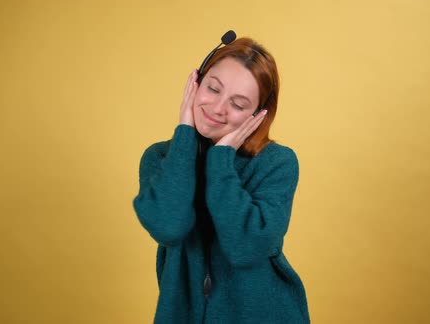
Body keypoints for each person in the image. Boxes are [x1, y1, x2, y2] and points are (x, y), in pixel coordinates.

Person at [133, 37, 310, 323]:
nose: (217, 109)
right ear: (196, 83)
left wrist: (221, 159)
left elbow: (245, 248)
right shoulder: (161, 158)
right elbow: (168, 227)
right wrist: (184, 135)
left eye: (238, 104)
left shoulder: (277, 163)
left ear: (257, 115)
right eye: (213, 89)